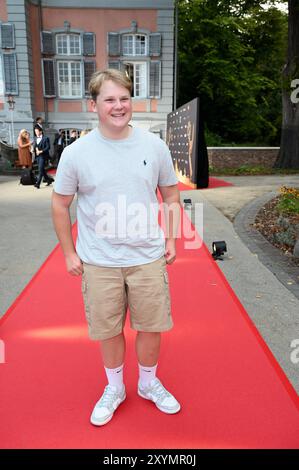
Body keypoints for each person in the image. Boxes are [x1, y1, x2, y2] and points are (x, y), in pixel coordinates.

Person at [52, 69, 181, 427]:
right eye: (110, 99)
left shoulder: (154, 146)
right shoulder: (77, 153)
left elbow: (170, 195)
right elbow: (60, 204)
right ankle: (114, 388)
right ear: (94, 105)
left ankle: (148, 383)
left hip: (147, 257)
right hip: (99, 261)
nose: (119, 106)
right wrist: (68, 252)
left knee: (150, 326)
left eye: (124, 98)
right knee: (108, 330)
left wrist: (170, 239)